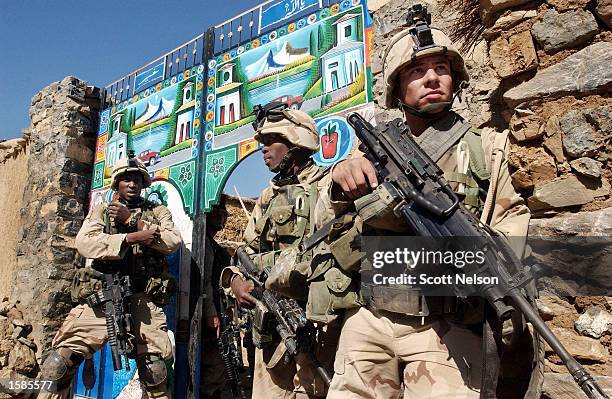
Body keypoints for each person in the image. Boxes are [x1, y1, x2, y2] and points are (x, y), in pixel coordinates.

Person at [324, 5, 536, 399]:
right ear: (396, 87)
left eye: (441, 68)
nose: (431, 78)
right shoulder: (370, 148)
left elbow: (512, 224)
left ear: (455, 79)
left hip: (446, 330)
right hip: (371, 318)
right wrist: (338, 179)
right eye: (416, 72)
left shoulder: (486, 149)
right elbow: (327, 215)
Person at [219, 103, 339, 399]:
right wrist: (234, 281)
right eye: (261, 144)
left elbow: (331, 251)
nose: (263, 150)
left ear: (296, 143)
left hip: (316, 321)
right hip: (272, 323)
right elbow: (245, 252)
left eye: (270, 142)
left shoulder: (328, 186)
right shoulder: (267, 196)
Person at [39, 154, 181, 399]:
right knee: (57, 365)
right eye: (126, 180)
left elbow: (172, 242)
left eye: (137, 179)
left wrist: (133, 222)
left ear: (144, 184)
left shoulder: (157, 212)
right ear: (117, 184)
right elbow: (84, 243)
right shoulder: (102, 211)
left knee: (155, 372)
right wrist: (127, 239)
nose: (132, 184)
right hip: (103, 297)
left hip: (142, 300)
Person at [200, 196, 232, 399]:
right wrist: (211, 312)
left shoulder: (215, 246)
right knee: (213, 365)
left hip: (219, 310)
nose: (221, 217)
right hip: (208, 313)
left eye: (224, 213)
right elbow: (205, 281)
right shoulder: (202, 243)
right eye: (216, 211)